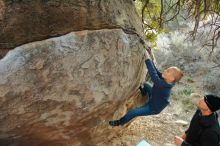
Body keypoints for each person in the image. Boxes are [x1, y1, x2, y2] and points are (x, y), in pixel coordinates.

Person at [109, 50, 183, 126]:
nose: (165, 70)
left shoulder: (163, 85)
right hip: (154, 97)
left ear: (172, 79)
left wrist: (147, 59)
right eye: (167, 69)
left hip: (153, 108)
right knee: (146, 84)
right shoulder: (167, 80)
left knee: (133, 112)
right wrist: (150, 58)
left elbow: (153, 74)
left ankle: (120, 122)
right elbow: (156, 71)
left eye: (168, 71)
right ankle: (144, 93)